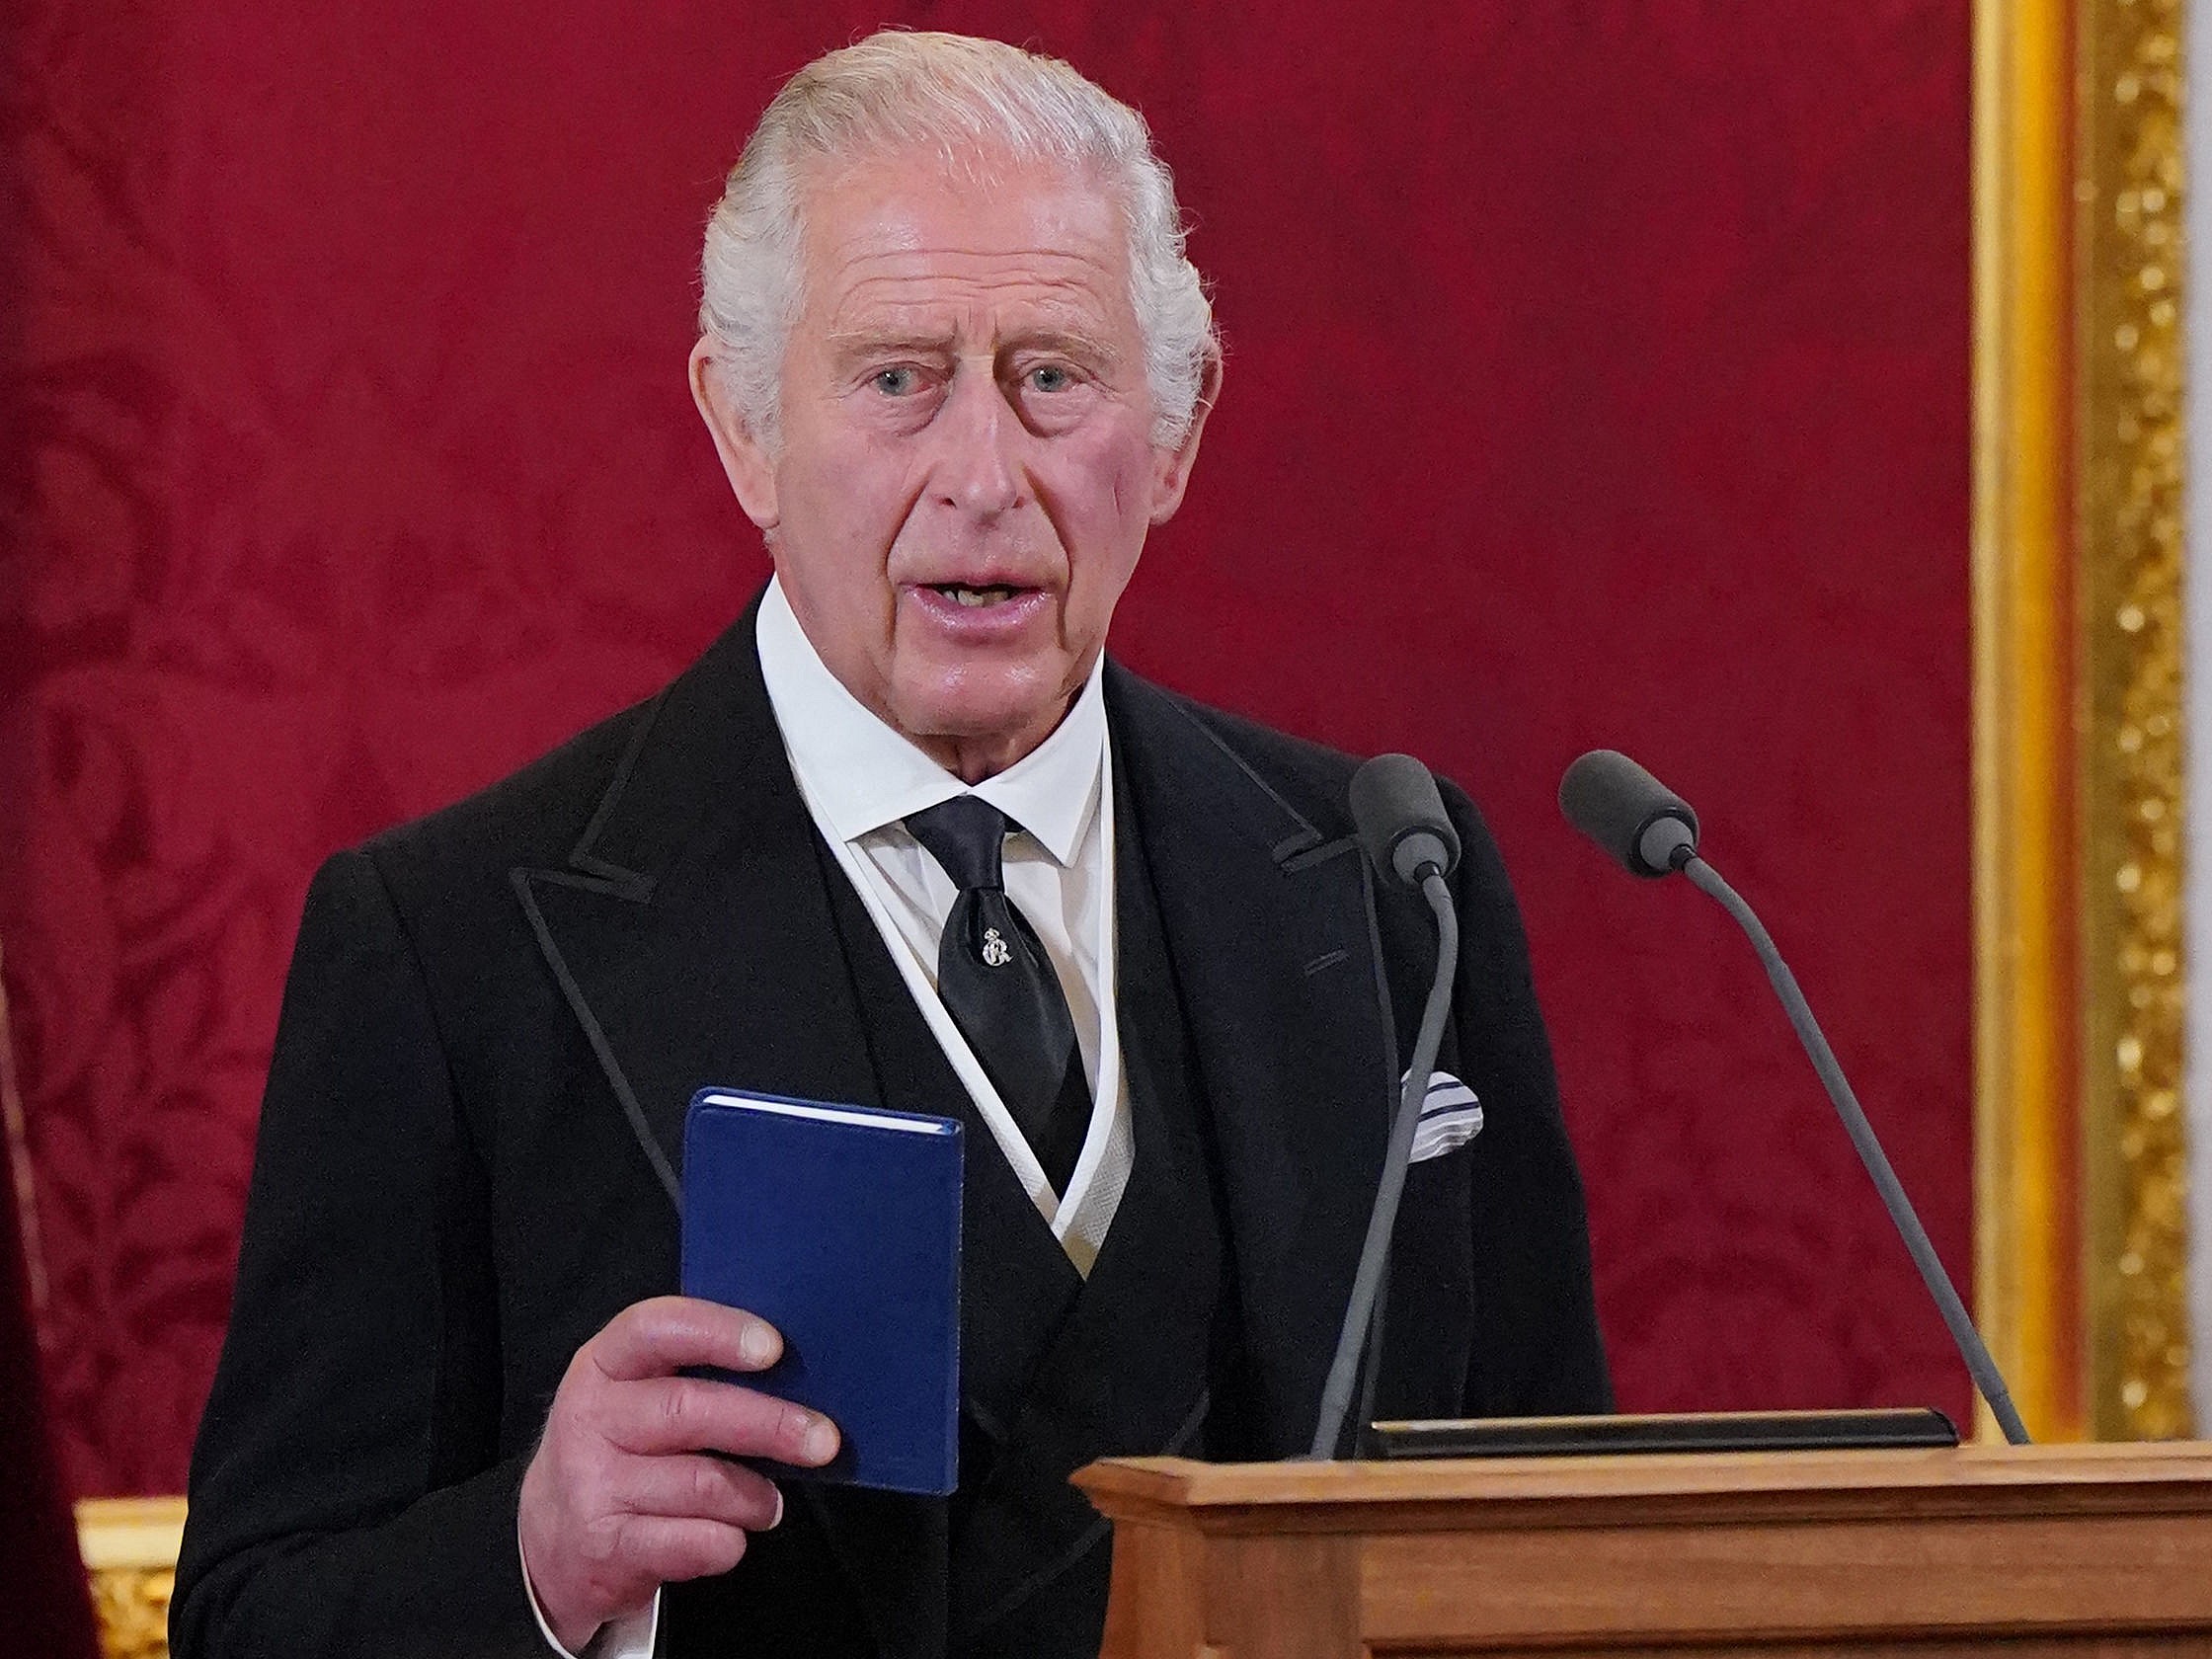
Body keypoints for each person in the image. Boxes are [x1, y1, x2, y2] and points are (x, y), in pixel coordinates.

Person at [172, 31, 1608, 1659]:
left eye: (1055, 376)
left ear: (1178, 435)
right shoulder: (450, 949)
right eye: (898, 378)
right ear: (745, 433)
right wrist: (537, 1560)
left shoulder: (1391, 888)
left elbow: (1551, 1545)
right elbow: (251, 1620)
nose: (983, 475)